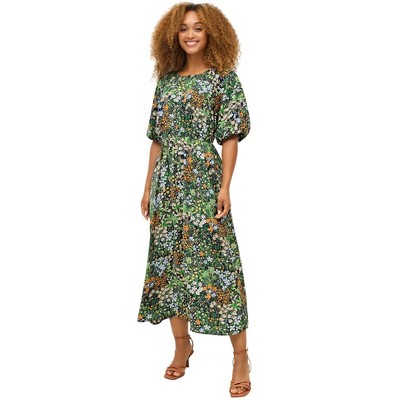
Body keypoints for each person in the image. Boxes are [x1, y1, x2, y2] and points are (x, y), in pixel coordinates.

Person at [137, 2, 252, 397]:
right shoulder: (167, 82)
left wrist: (225, 186)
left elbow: (230, 137)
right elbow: (157, 140)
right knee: (171, 264)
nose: (190, 34)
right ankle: (181, 345)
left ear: (211, 33)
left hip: (203, 180)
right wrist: (147, 187)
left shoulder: (223, 79)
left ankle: (241, 356)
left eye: (198, 28)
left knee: (220, 266)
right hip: (167, 185)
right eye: (184, 28)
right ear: (173, 34)